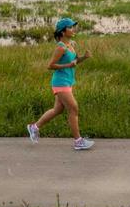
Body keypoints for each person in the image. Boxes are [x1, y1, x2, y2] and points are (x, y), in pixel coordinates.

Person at [27, 17, 94, 150]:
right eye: (70, 27)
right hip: (60, 82)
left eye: (73, 26)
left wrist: (84, 58)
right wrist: (68, 65)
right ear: (63, 32)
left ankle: (34, 127)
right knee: (73, 109)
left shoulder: (71, 44)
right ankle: (78, 141)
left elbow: (74, 62)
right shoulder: (61, 47)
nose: (73, 29)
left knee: (57, 110)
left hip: (68, 81)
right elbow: (50, 66)